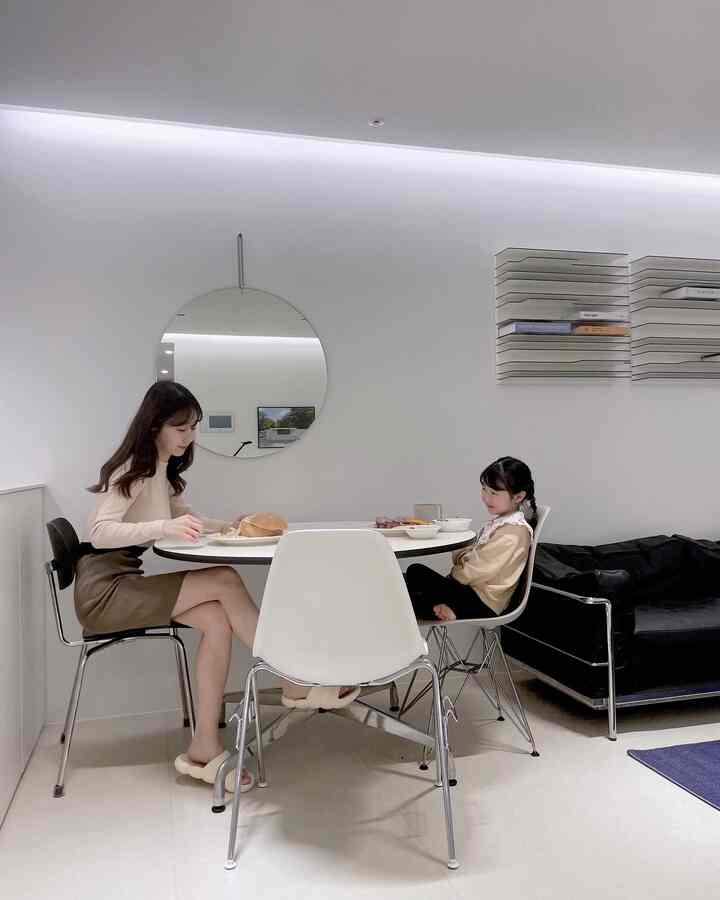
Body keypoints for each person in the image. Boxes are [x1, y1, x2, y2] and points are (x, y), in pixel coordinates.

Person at [405, 457, 536, 621]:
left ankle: (454, 610)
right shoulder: (501, 524)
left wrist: (457, 568)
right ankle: (445, 609)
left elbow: (475, 569)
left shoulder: (513, 532)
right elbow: (472, 557)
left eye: (494, 493)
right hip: (472, 593)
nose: (486, 497)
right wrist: (464, 558)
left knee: (415, 573)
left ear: (518, 497)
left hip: (482, 603)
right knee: (405, 588)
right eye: (484, 489)